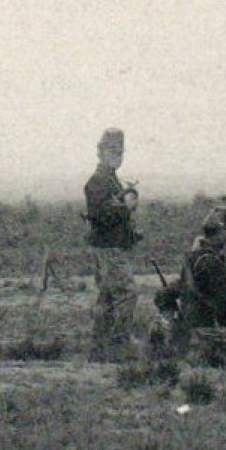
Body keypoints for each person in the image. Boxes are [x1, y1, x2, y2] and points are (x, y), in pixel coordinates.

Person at [156, 207, 226, 367]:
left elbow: (164, 295)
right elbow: (224, 309)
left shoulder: (192, 258)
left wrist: (175, 324)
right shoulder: (211, 262)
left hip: (191, 331)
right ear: (222, 232)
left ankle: (192, 354)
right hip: (209, 330)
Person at [83, 128, 141, 357]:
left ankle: (99, 349)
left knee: (107, 297)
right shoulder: (97, 182)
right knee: (127, 293)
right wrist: (125, 206)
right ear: (100, 152)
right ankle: (118, 345)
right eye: (111, 150)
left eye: (120, 151)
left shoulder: (110, 180)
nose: (117, 155)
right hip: (110, 248)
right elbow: (100, 216)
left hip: (112, 246)